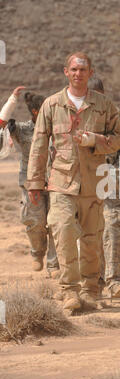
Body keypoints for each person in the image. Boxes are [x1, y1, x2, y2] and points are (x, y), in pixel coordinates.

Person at [27, 52, 120, 311]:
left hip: (93, 184)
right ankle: (69, 290)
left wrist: (94, 140)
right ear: (66, 72)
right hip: (61, 182)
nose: (78, 73)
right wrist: (34, 184)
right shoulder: (52, 105)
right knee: (63, 230)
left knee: (92, 239)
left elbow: (118, 140)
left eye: (83, 69)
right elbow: (38, 146)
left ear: (90, 73)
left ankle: (90, 289)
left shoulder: (104, 105)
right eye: (74, 69)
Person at [0, 87, 60, 275]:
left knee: (57, 222)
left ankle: (54, 264)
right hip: (30, 182)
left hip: (55, 181)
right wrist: (12, 100)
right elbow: (0, 123)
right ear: (36, 112)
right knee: (34, 221)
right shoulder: (22, 129)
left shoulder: (56, 129)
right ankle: (37, 252)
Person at [88, 77, 120, 299]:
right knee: (87, 234)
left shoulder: (114, 118)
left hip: (110, 183)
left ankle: (114, 281)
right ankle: (92, 283)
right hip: (82, 185)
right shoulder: (70, 117)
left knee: (111, 228)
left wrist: (117, 173)